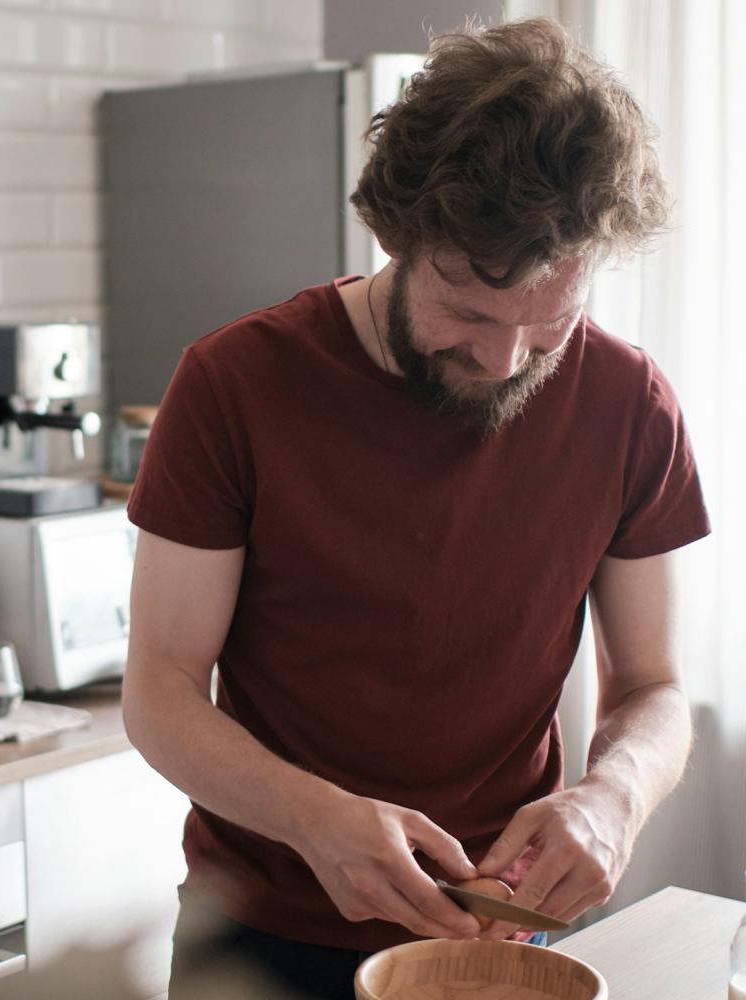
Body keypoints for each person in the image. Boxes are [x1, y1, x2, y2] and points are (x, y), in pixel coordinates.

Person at [121, 16, 710, 1000]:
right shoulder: (235, 383)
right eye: (470, 312)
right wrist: (315, 816)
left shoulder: (628, 401)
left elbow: (652, 687)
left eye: (548, 325)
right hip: (258, 940)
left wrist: (612, 797)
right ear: (395, 232)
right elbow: (161, 692)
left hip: (499, 939)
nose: (504, 360)